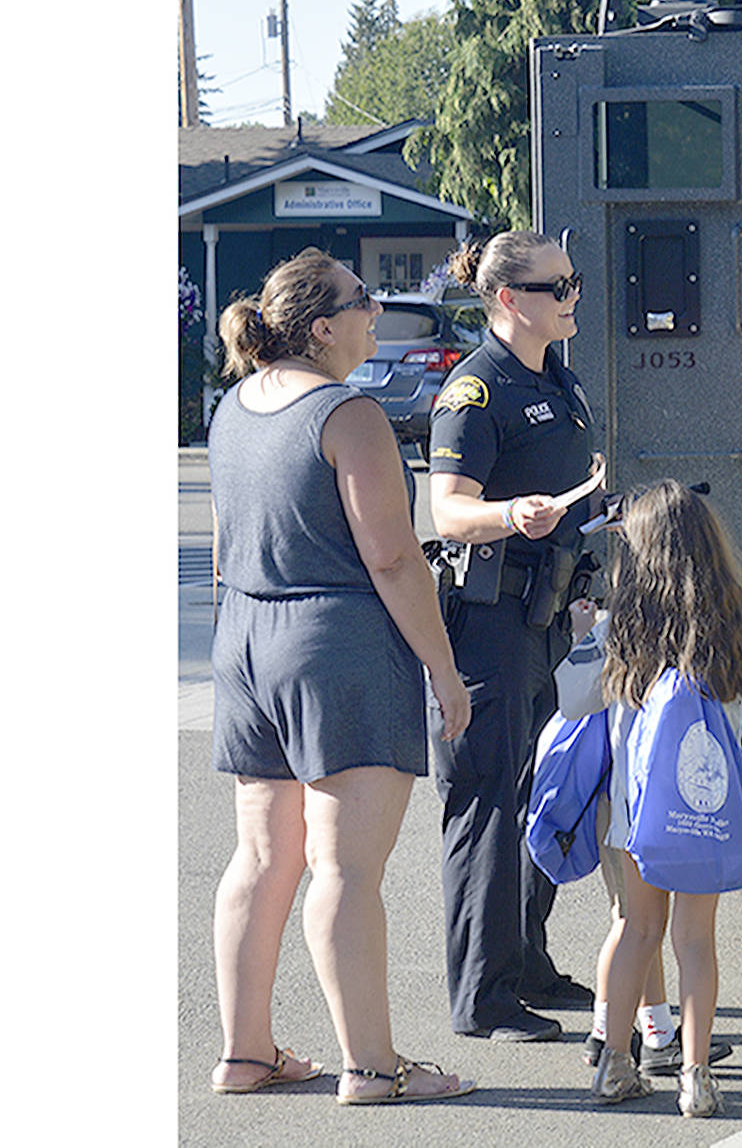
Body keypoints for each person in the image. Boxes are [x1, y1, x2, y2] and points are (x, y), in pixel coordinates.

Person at [208, 248, 475, 1106]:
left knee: (259, 858)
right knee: (345, 869)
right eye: (364, 302)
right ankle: (373, 1066)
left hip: (246, 637)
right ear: (322, 327)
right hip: (338, 646)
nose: (377, 312)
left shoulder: (233, 405)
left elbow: (223, 546)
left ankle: (246, 1055)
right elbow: (395, 558)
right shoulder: (347, 414)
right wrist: (444, 671)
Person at [427, 230, 605, 1042]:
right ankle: (483, 996)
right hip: (488, 621)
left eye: (572, 281)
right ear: (508, 301)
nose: (572, 296)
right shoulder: (477, 389)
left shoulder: (557, 376)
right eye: (555, 287)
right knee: (487, 802)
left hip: (545, 615)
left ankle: (526, 959)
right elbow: (447, 509)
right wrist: (508, 514)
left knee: (544, 793)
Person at [570, 482, 742, 1115]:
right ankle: (696, 1077)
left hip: (636, 816)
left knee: (638, 930)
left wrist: (587, 634)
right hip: (703, 813)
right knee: (696, 943)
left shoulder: (621, 631)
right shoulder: (732, 628)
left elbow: (570, 701)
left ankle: (614, 1064)